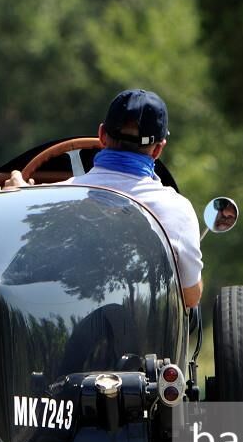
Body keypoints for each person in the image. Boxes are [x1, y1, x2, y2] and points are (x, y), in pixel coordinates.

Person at [66, 89, 204, 307]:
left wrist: (19, 190)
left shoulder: (52, 196)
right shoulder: (177, 209)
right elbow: (190, 297)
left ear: (101, 135)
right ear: (158, 149)